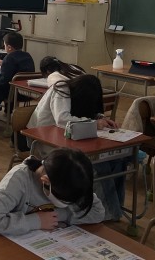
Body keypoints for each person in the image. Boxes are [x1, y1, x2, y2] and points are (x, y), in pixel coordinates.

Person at [26, 74, 124, 221]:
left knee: (117, 160)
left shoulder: (79, 96)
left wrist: (100, 117)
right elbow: (62, 119)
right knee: (98, 164)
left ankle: (114, 208)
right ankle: (109, 212)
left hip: (69, 139)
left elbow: (86, 112)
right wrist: (93, 123)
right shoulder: (61, 90)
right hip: (44, 140)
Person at [0, 148, 105, 236]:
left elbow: (97, 212)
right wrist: (36, 221)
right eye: (64, 201)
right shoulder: (19, 179)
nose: (68, 204)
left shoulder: (73, 181)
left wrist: (61, 215)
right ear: (46, 181)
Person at [0, 31, 35, 113]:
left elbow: (3, 82)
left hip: (13, 94)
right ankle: (8, 110)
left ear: (9, 47)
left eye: (4, 45)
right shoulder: (27, 56)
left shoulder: (9, 58)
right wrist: (4, 64)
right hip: (27, 93)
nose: (3, 46)